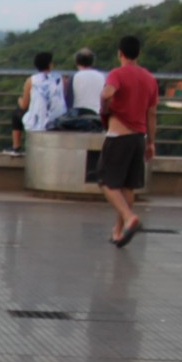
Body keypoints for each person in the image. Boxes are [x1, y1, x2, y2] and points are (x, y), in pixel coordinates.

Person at [97, 34, 157, 247]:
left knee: (106, 181)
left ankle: (129, 218)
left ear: (119, 53)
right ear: (139, 54)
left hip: (119, 136)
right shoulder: (150, 78)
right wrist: (151, 142)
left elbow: (107, 94)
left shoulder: (117, 74)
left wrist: (104, 107)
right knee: (127, 186)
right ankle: (118, 231)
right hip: (138, 138)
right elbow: (151, 114)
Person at [10, 50, 65, 156]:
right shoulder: (60, 78)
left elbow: (24, 105)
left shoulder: (31, 80)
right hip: (59, 121)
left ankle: (16, 147)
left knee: (16, 113)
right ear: (49, 64)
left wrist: (19, 100)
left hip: (39, 123)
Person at [67, 48, 105, 120]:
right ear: (92, 62)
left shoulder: (74, 77)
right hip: (98, 115)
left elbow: (69, 99)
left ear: (77, 62)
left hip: (79, 115)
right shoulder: (102, 76)